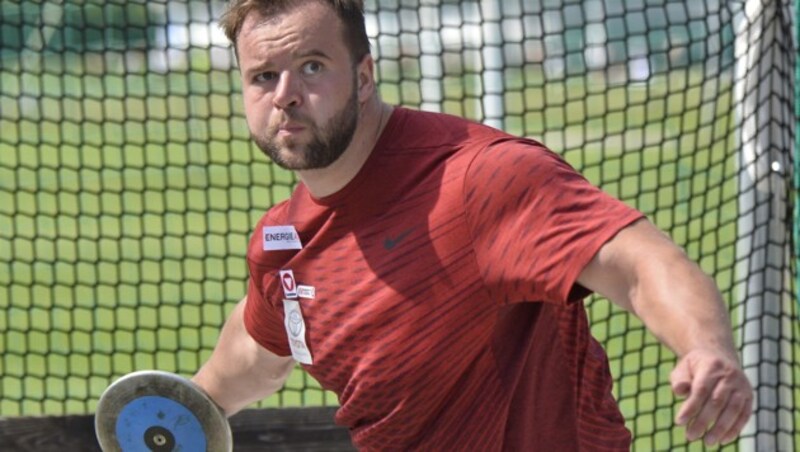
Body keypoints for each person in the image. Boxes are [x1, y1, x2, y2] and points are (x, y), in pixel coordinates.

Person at [192, 0, 754, 449]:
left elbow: (638, 262)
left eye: (312, 66)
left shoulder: (478, 180)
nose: (286, 96)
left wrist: (704, 348)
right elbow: (258, 350)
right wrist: (183, 406)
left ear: (364, 77)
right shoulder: (283, 243)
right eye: (263, 77)